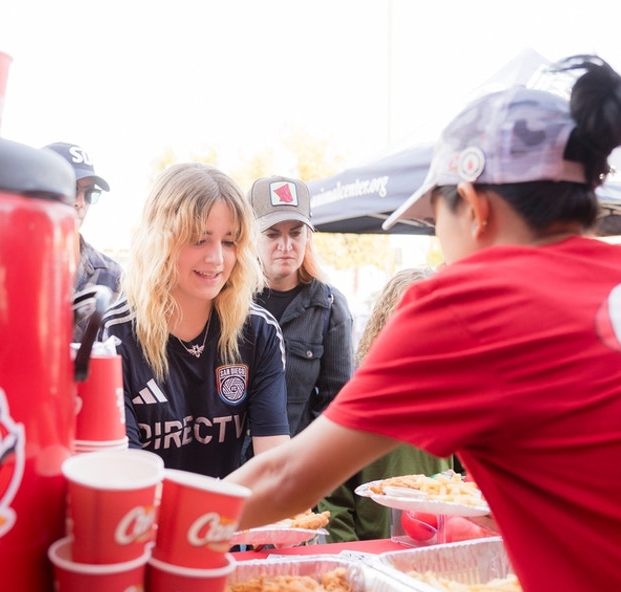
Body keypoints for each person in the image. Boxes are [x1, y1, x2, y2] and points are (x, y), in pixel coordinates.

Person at [223, 55, 621, 592]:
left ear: (476, 208)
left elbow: (284, 479)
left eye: (435, 222)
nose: (438, 244)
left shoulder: (475, 299)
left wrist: (133, 537)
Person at [102, 163, 290, 476]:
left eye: (229, 242)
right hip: (143, 518)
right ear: (160, 242)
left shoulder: (259, 331)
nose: (216, 259)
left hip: (226, 518)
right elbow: (126, 477)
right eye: (199, 239)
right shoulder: (114, 336)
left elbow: (274, 467)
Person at [316, 267, 454, 542]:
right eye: (410, 316)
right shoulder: (362, 398)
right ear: (386, 324)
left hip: (439, 548)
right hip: (374, 548)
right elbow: (333, 496)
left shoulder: (454, 398)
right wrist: (352, 555)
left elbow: (467, 481)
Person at [247, 175, 354, 438]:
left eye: (295, 233)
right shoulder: (229, 302)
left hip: (295, 465)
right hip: (230, 470)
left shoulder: (329, 307)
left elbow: (335, 405)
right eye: (272, 234)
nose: (286, 246)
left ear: (308, 237)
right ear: (251, 238)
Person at [43, 141, 123, 340]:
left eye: (89, 194)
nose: (80, 202)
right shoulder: (10, 266)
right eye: (70, 188)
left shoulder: (112, 276)